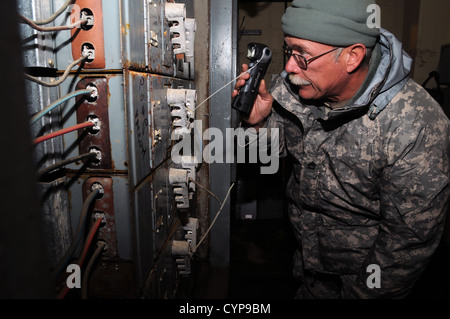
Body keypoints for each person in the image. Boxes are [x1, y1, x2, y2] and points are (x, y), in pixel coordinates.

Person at [233, 0, 450, 298]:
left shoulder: (414, 122)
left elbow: (408, 241)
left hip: (366, 280)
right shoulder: (295, 86)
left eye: (302, 55)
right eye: (289, 51)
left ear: (352, 57)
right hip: (307, 265)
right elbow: (268, 155)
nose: (289, 67)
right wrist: (257, 125)